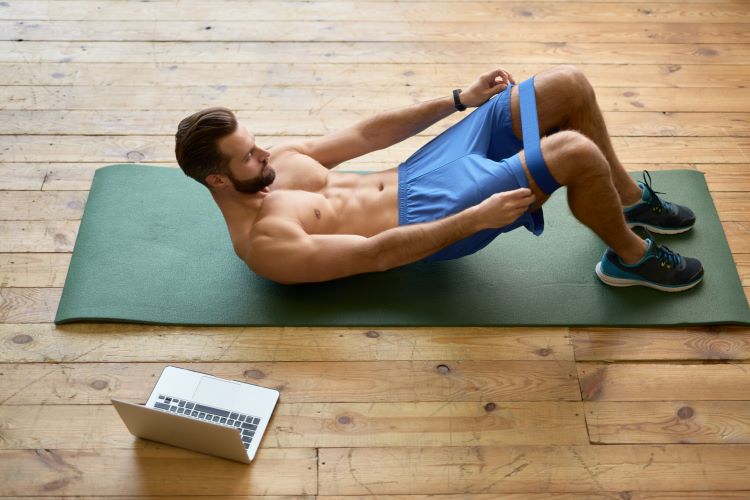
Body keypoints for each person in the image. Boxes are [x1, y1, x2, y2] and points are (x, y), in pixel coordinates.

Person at [174, 65, 703, 291]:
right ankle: (629, 259)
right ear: (218, 182)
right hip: (429, 217)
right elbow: (375, 255)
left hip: (416, 172)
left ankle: (627, 199)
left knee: (566, 85)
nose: (264, 153)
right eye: (245, 157)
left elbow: (365, 136)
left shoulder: (274, 163)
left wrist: (458, 101)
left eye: (253, 142)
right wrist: (473, 220)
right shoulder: (266, 246)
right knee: (573, 153)